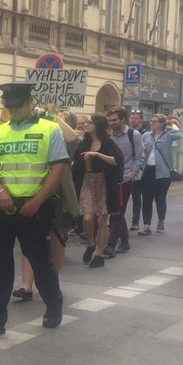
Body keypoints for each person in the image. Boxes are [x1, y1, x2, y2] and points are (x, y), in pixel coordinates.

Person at [0, 82, 68, 340]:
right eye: (8, 106)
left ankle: (53, 304)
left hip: (33, 207)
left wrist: (37, 200)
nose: (12, 111)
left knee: (39, 260)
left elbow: (58, 170)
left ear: (29, 101)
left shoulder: (49, 129)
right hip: (3, 206)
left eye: (16, 106)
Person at [16, 109, 80, 297]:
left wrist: (53, 116)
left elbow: (73, 138)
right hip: (32, 191)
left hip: (59, 196)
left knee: (56, 238)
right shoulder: (37, 135)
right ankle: (26, 286)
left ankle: (53, 281)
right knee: (29, 239)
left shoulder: (65, 144)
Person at [73, 114, 123, 269]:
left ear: (98, 125)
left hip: (104, 183)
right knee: (87, 218)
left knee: (102, 220)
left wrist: (97, 154)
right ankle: (90, 243)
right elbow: (76, 162)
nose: (86, 125)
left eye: (90, 122)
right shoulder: (84, 142)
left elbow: (117, 161)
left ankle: (100, 254)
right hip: (88, 181)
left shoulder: (108, 142)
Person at [105, 106, 144, 255]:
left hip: (126, 179)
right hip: (111, 179)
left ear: (123, 119)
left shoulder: (133, 135)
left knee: (117, 212)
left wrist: (134, 173)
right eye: (109, 120)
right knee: (117, 210)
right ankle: (125, 241)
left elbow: (140, 155)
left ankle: (110, 245)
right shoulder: (108, 136)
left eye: (114, 120)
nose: (112, 123)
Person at [139, 114, 182, 234]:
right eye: (151, 121)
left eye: (155, 121)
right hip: (147, 170)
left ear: (162, 124)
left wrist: (172, 123)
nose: (151, 123)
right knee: (146, 199)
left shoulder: (168, 135)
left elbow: (179, 135)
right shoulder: (146, 136)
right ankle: (146, 225)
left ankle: (161, 221)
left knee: (160, 199)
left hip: (163, 172)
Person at [127, 109, 145, 231]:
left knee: (136, 196)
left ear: (141, 119)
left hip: (138, 169)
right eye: (131, 118)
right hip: (125, 168)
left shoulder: (144, 133)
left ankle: (135, 221)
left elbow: (142, 154)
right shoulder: (126, 132)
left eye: (136, 118)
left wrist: (136, 169)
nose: (133, 120)